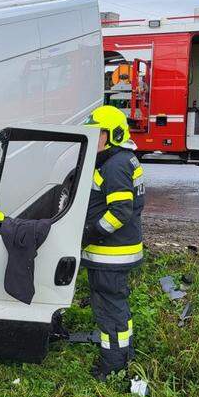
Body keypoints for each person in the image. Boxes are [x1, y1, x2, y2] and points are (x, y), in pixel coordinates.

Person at [80, 105, 145, 380]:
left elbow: (119, 212)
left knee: (110, 311)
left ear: (112, 135)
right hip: (116, 251)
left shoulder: (116, 165)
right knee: (117, 308)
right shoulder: (120, 160)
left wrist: (89, 233)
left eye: (97, 133)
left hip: (111, 253)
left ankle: (113, 366)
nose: (93, 138)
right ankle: (123, 353)